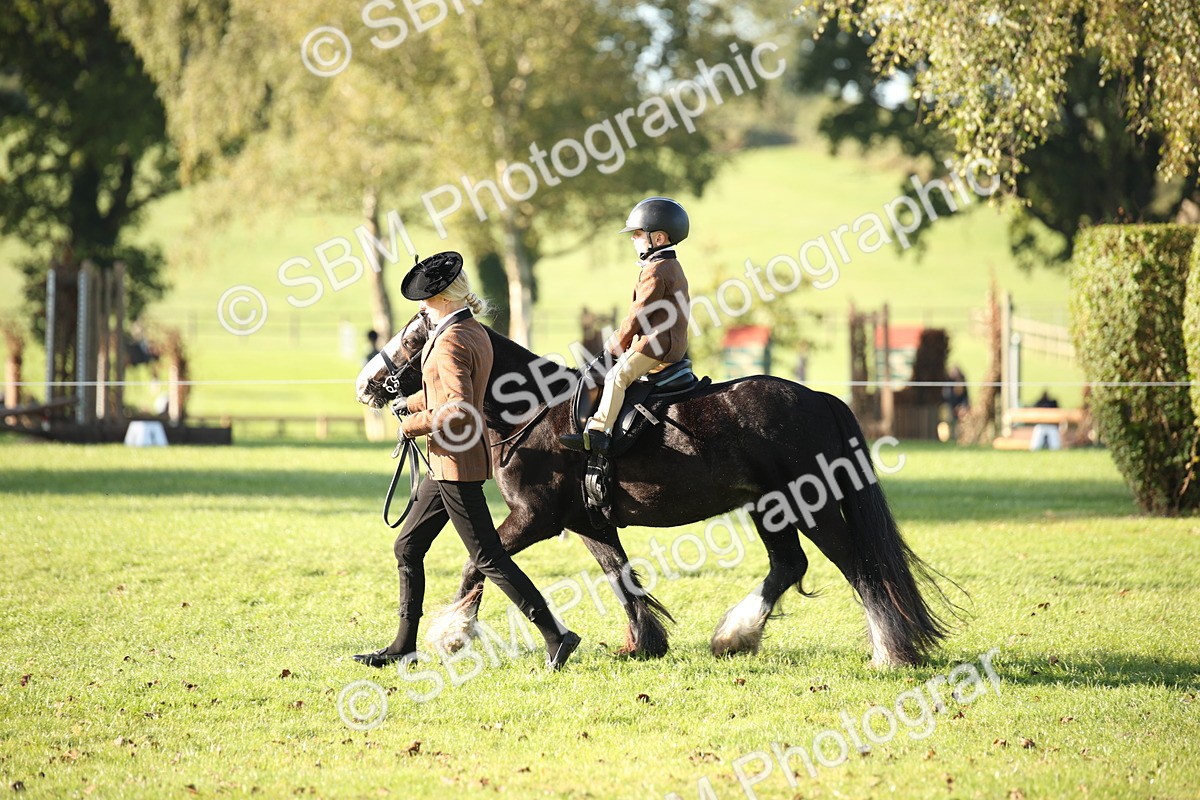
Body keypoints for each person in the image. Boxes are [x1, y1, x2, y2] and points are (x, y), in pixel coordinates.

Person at [353, 252, 580, 670]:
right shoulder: (472, 330)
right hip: (449, 462)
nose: (422, 306)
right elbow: (456, 391)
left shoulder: (451, 340)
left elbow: (458, 408)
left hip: (454, 463)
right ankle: (404, 645)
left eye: (425, 298)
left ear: (441, 298)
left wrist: (412, 424)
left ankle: (556, 634)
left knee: (489, 557)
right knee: (408, 546)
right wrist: (411, 402)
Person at [559, 197, 691, 455]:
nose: (633, 238)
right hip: (670, 343)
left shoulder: (655, 270)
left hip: (656, 345)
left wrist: (614, 345)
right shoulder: (671, 265)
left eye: (639, 233)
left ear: (659, 239)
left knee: (616, 377)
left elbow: (637, 315)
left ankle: (598, 433)